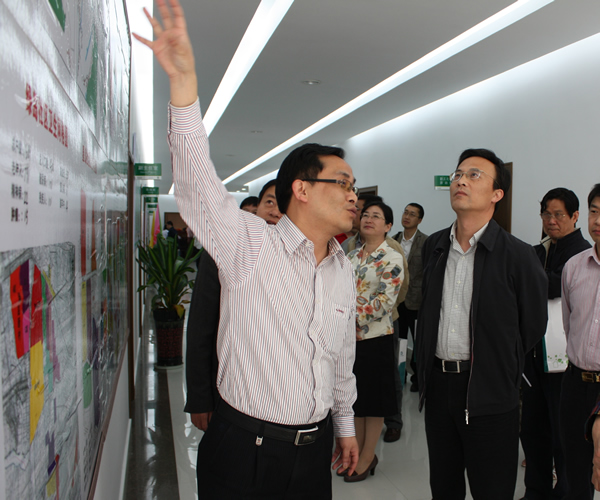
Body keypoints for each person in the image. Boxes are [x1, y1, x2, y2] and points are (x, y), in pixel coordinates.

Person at [135, 3, 359, 497]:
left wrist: (344, 426)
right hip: (244, 449)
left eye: (354, 186)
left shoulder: (343, 269)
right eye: (342, 183)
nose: (353, 195)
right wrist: (183, 85)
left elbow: (341, 358)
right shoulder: (249, 243)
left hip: (314, 450)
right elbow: (198, 186)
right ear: (301, 189)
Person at [416, 148, 548, 500]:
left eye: (474, 175)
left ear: (496, 194)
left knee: (492, 489)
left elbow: (532, 326)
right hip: (439, 386)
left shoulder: (518, 255)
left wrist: (499, 367)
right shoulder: (434, 246)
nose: (461, 181)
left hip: (490, 391)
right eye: (458, 174)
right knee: (443, 486)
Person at [184, 180, 281, 432]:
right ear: (257, 207)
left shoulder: (300, 259)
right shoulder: (221, 252)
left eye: (283, 206)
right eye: (269, 202)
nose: (274, 211)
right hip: (226, 390)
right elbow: (200, 328)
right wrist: (199, 398)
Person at [520, 188, 590, 500]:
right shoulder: (540, 249)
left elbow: (550, 285)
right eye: (546, 214)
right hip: (534, 354)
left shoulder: (582, 253)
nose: (551, 220)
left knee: (564, 436)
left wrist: (528, 276)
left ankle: (564, 493)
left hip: (564, 361)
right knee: (533, 430)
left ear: (575, 216)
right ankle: (536, 491)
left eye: (558, 214)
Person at [345, 200, 404, 482]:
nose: (368, 219)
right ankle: (355, 454)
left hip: (375, 339)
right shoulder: (351, 256)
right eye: (365, 214)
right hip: (348, 340)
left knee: (374, 401)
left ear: (388, 226)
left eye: (376, 216)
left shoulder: (392, 257)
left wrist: (347, 318)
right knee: (355, 400)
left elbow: (384, 301)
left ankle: (368, 456)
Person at [560, 183, 600, 500]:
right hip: (574, 383)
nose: (597, 220)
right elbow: (568, 323)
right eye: (594, 211)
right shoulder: (574, 266)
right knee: (575, 470)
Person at [391, 203, 428, 396]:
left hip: (416, 301)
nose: (407, 216)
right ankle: (400, 374)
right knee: (399, 339)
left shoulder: (426, 242)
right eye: (405, 212)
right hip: (397, 300)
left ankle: (418, 378)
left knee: (418, 342)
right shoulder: (393, 240)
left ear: (419, 220)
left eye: (412, 214)